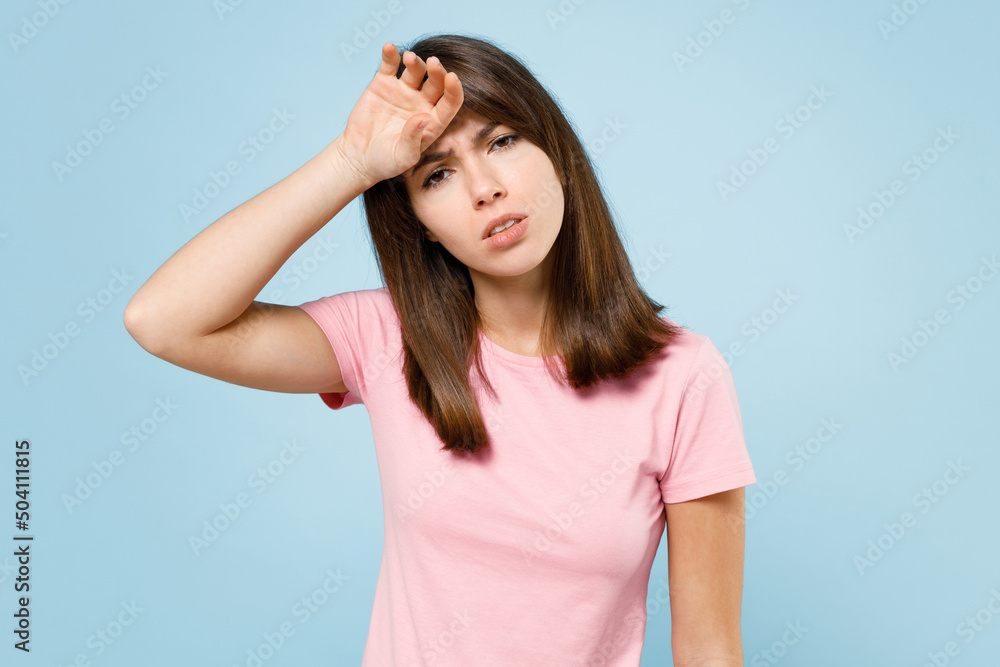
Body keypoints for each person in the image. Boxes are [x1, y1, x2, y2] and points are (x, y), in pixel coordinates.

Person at [124, 33, 757, 667]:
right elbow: (164, 321)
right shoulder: (386, 338)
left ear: (555, 151)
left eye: (502, 142)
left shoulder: (684, 377)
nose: (484, 189)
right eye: (438, 174)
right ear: (419, 222)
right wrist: (351, 161)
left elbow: (708, 649)